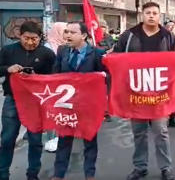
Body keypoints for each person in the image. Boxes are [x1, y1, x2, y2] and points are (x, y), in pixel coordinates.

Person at [114, 2, 175, 180]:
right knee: (139, 133)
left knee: (161, 131)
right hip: (135, 93)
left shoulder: (168, 37)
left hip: (160, 94)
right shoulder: (129, 36)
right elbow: (116, 56)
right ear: (142, 15)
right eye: (148, 13)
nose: (151, 16)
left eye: (155, 13)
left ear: (159, 16)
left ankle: (166, 168)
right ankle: (140, 167)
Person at [0, 21, 56, 180]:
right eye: (26, 38)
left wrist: (37, 78)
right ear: (19, 35)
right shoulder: (7, 51)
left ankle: (33, 174)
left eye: (34, 39)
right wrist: (7, 69)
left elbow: (54, 77)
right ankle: (3, 173)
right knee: (7, 139)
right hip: (13, 100)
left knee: (35, 140)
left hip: (36, 102)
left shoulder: (47, 54)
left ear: (40, 38)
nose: (30, 42)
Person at [51, 21, 106, 180]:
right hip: (66, 104)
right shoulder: (62, 51)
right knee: (64, 139)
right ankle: (58, 174)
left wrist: (100, 78)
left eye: (72, 32)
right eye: (66, 32)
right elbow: (55, 74)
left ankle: (89, 174)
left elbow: (107, 76)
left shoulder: (97, 53)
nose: (67, 35)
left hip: (88, 105)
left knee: (89, 140)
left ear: (83, 35)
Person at [43, 22, 68, 153]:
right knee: (51, 114)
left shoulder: (65, 47)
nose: (67, 34)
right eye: (64, 31)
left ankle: (60, 138)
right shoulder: (48, 48)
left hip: (62, 89)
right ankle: (51, 139)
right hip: (49, 88)